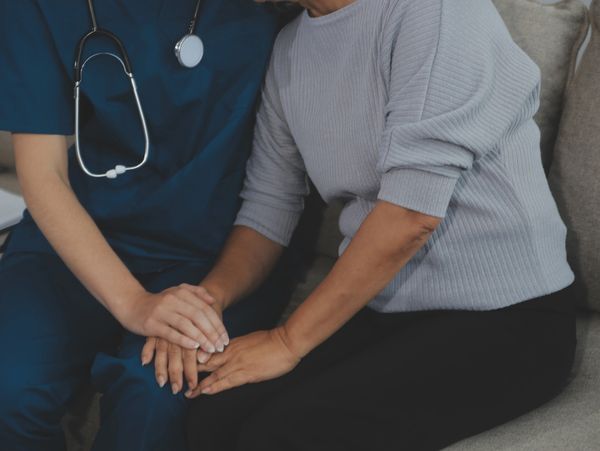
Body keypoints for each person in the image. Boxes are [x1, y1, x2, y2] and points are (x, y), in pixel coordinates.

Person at [178, 0, 578, 449]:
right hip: (384, 310)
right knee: (214, 416)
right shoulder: (290, 49)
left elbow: (412, 215)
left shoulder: (434, 11)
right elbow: (269, 205)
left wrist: (287, 341)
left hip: (510, 320)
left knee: (283, 435)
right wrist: (205, 301)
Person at [0, 1, 297, 450]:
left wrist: (202, 302)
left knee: (152, 392)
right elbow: (43, 176)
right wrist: (134, 304)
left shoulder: (269, 8)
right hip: (79, 238)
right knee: (9, 387)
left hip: (219, 251)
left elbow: (279, 194)